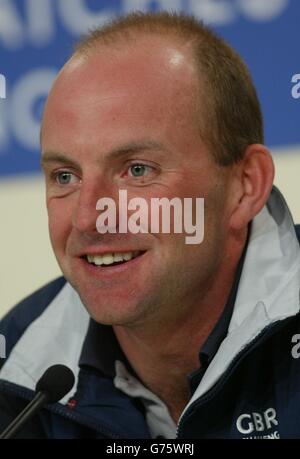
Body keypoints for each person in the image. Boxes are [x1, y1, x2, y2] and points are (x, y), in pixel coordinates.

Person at [0, 11, 300, 439]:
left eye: (137, 170)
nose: (89, 218)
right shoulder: (15, 373)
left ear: (245, 185)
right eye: (65, 176)